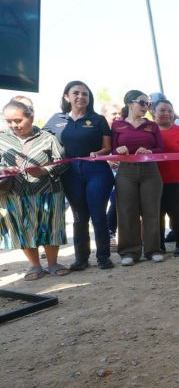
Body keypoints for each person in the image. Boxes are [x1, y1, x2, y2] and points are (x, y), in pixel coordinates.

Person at [43, 81, 115, 271]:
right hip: (70, 173)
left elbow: (107, 147)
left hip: (96, 171)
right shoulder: (56, 120)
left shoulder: (98, 119)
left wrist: (98, 154)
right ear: (67, 96)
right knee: (79, 216)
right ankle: (81, 259)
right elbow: (41, 142)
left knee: (98, 215)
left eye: (85, 94)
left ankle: (103, 257)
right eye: (76, 93)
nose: (81, 97)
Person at [0, 99, 70, 279]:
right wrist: (4, 171)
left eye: (18, 120)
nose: (14, 125)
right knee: (22, 229)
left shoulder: (48, 138)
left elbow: (62, 163)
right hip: (14, 193)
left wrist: (43, 170)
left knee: (50, 227)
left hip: (48, 191)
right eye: (9, 121)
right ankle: (35, 266)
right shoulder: (1, 139)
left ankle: (53, 264)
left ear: (31, 117)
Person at [112, 90, 164, 265]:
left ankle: (153, 250)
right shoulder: (117, 125)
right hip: (126, 172)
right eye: (142, 103)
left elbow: (161, 149)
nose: (146, 107)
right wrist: (118, 151)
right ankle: (129, 252)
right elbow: (112, 149)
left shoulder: (152, 125)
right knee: (126, 212)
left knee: (152, 211)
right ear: (130, 103)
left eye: (148, 104)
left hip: (150, 171)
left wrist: (150, 151)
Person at [154, 99, 179, 257]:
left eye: (169, 111)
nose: (166, 114)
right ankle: (160, 245)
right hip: (153, 180)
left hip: (177, 179)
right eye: (162, 110)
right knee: (157, 213)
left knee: (176, 211)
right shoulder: (149, 130)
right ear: (154, 112)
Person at [100, 103, 123, 245]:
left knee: (116, 199)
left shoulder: (121, 129)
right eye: (114, 114)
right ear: (104, 116)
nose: (118, 116)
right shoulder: (98, 130)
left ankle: (110, 232)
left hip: (120, 171)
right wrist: (107, 161)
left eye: (120, 113)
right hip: (100, 170)